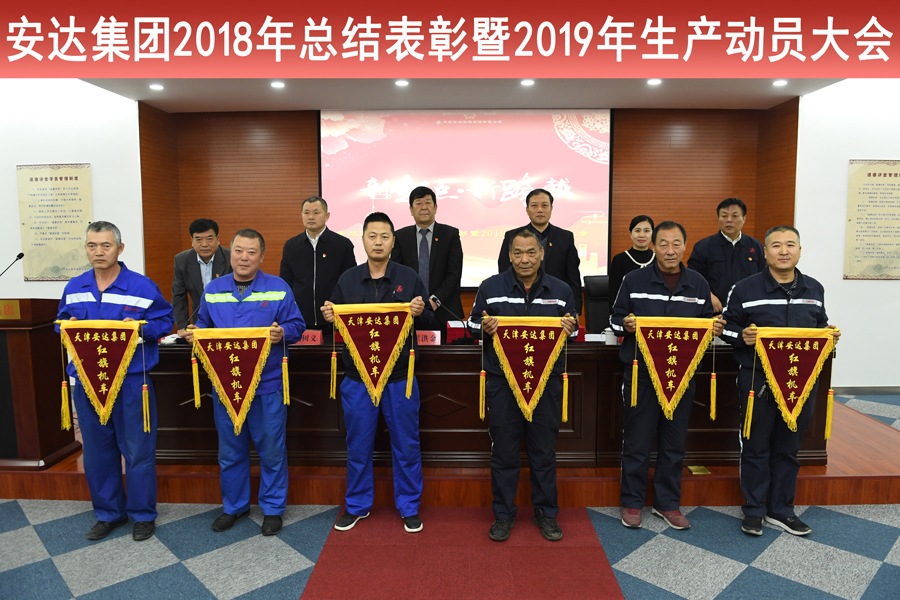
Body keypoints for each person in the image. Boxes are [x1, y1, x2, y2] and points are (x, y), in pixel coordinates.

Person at [56, 221, 174, 542]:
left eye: (106, 245)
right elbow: (60, 323)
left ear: (120, 249)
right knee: (97, 452)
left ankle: (142, 514)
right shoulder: (75, 287)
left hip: (131, 382)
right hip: (88, 382)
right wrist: (67, 326)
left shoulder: (141, 286)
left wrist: (140, 328)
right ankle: (109, 513)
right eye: (92, 245)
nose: (99, 252)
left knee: (137, 451)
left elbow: (166, 321)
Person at [721, 225, 840, 537]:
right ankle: (754, 509)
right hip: (757, 380)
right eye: (776, 245)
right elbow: (725, 328)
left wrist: (829, 335)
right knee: (755, 445)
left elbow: (820, 325)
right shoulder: (744, 289)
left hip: (800, 383)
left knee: (788, 448)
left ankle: (781, 509)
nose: (783, 251)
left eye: (790, 244)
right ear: (765, 252)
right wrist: (743, 336)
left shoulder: (814, 289)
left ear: (799, 250)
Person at [322, 212, 435, 533]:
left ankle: (409, 506)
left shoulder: (409, 277)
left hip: (399, 377)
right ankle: (357, 505)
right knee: (358, 445)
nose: (378, 242)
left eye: (384, 236)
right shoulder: (347, 280)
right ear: (363, 240)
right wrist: (330, 315)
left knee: (406, 444)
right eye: (372, 236)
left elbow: (429, 321)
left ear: (393, 241)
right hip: (357, 378)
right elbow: (336, 325)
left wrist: (420, 310)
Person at [187, 229, 305, 536]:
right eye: (239, 250)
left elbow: (297, 324)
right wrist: (195, 333)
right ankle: (234, 507)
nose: (244, 257)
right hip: (226, 386)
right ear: (230, 253)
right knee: (230, 451)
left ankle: (273, 509)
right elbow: (203, 324)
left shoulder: (278, 288)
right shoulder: (214, 289)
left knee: (272, 450)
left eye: (252, 252)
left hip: (267, 384)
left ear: (262, 256)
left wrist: (283, 332)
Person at [610, 221, 722, 530]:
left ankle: (667, 503)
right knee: (637, 441)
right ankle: (632, 502)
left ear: (685, 246)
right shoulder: (634, 279)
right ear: (653, 247)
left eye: (676, 244)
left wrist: (715, 327)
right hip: (642, 375)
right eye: (663, 244)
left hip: (681, 376)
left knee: (674, 443)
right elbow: (615, 319)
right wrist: (626, 325)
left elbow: (707, 323)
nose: (670, 250)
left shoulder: (698, 283)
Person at [470, 228, 578, 542]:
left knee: (543, 452)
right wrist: (485, 326)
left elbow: (573, 328)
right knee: (504, 452)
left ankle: (546, 513)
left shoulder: (561, 289)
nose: (524, 259)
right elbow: (472, 323)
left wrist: (569, 326)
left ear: (542, 254)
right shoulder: (491, 287)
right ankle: (503, 514)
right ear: (509, 255)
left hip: (546, 383)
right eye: (518, 253)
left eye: (531, 252)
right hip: (503, 383)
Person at [391, 186, 464, 340]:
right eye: (418, 203)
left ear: (435, 207)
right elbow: (396, 274)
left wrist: (435, 300)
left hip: (444, 311)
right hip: (411, 312)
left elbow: (454, 274)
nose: (424, 207)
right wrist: (414, 304)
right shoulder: (400, 237)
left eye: (428, 202)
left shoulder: (450, 234)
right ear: (411, 210)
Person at [498, 188, 583, 315]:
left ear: (551, 208)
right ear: (527, 210)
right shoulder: (513, 236)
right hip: (519, 304)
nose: (540, 210)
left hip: (555, 304)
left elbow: (573, 277)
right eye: (534, 206)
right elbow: (504, 272)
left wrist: (575, 309)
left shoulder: (565, 237)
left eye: (544, 205)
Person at [280, 197, 356, 332]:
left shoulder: (342, 244)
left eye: (316, 212)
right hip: (299, 321)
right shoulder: (291, 246)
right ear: (301, 215)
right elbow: (286, 283)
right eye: (306, 213)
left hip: (333, 319)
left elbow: (350, 283)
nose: (311, 217)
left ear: (327, 216)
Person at [688, 198, 765, 314]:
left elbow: (764, 277)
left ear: (744, 219)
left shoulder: (755, 246)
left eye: (735, 216)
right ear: (718, 218)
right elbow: (693, 278)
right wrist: (708, 295)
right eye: (724, 216)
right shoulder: (703, 246)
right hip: (714, 310)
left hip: (748, 311)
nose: (729, 220)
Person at [172, 218, 232, 335]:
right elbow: (179, 298)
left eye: (209, 239)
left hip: (227, 323)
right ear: (192, 241)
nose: (204, 244)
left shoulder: (231, 259)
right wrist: (183, 327)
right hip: (199, 324)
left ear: (218, 239)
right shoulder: (182, 260)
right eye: (198, 239)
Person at [609, 215, 655, 306]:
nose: (642, 235)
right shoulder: (620, 259)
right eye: (637, 231)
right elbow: (614, 294)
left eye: (646, 231)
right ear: (630, 234)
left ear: (653, 233)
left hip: (655, 311)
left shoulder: (659, 259)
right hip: (627, 312)